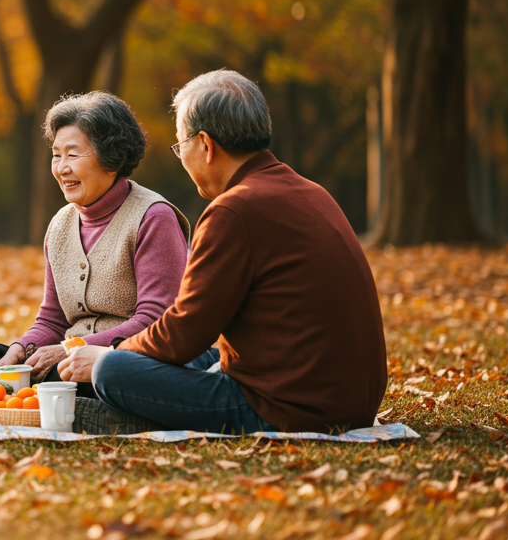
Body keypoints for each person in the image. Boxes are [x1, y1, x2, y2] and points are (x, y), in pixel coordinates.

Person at [58, 69, 387, 434]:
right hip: (350, 400)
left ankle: (119, 414)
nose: (182, 157)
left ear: (205, 145)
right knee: (203, 357)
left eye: (180, 145)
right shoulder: (311, 192)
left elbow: (183, 334)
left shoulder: (234, 210)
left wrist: (111, 354)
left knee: (111, 371)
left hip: (286, 407)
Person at [0, 92, 190, 395]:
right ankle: (47, 392)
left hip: (125, 360)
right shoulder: (60, 225)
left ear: (111, 156)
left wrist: (71, 350)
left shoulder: (153, 217)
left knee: (95, 373)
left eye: (72, 155)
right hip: (68, 362)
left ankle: (47, 392)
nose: (61, 168)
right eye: (56, 155)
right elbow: (52, 319)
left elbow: (156, 320)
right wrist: (20, 349)